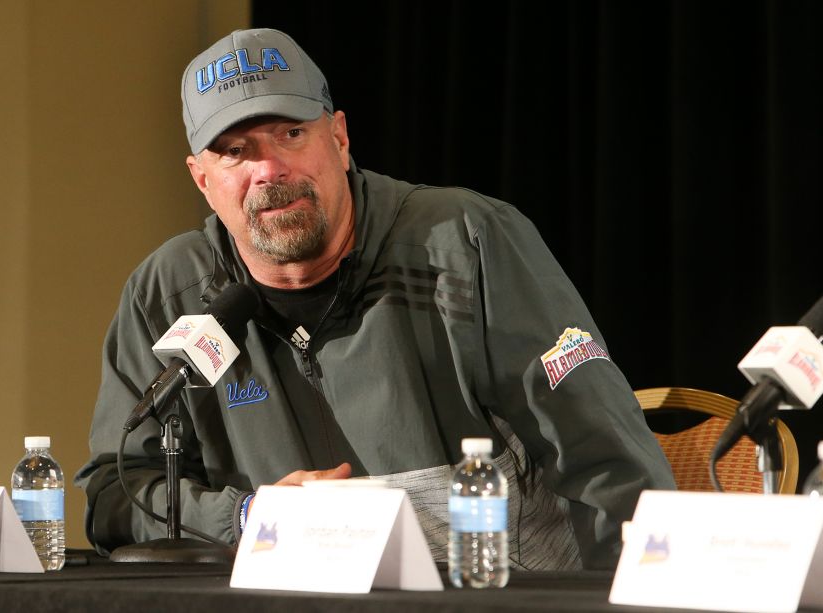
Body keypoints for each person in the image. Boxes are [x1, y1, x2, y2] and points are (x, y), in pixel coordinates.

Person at [75, 27, 675, 571]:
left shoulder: (466, 242)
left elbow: (607, 460)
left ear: (338, 138)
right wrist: (241, 517)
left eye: (290, 133)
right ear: (202, 180)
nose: (268, 169)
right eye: (234, 151)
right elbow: (115, 491)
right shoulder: (168, 294)